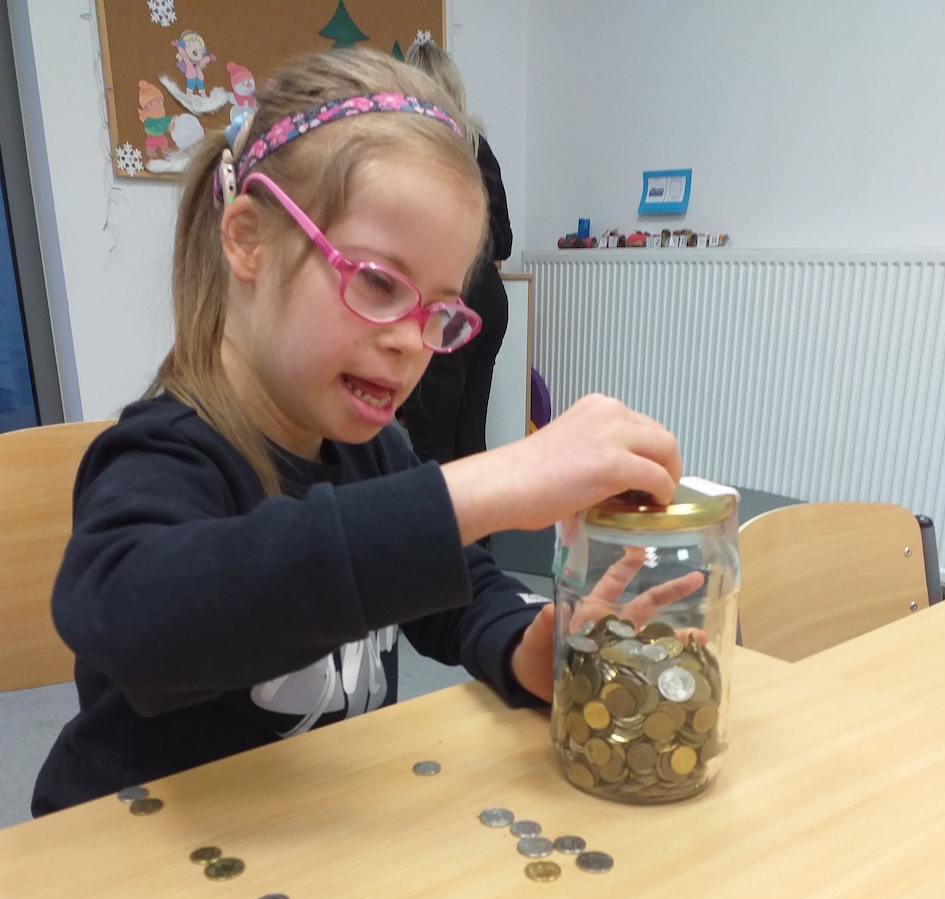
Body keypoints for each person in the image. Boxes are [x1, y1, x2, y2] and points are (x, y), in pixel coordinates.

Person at [32, 48, 695, 817]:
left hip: (309, 834)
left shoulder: (372, 450)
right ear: (248, 239)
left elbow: (456, 587)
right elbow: (135, 619)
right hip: (138, 848)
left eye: (439, 311)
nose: (413, 342)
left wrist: (524, 644)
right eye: (378, 282)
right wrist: (489, 482)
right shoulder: (161, 453)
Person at [400, 35, 511, 465]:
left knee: (433, 448)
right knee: (470, 441)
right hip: (489, 298)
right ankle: (476, 514)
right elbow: (503, 241)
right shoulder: (478, 146)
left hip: (445, 304)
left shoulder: (412, 152)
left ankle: (444, 512)